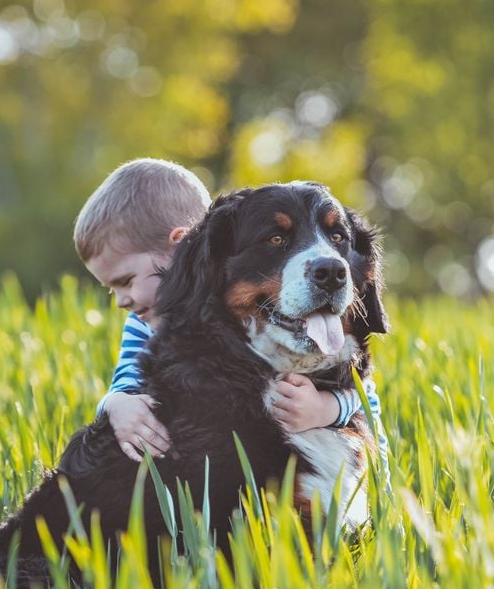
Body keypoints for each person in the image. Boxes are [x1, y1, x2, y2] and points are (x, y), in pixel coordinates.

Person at [73, 158, 388, 482]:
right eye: (277, 239)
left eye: (126, 281)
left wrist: (326, 408)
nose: (122, 300)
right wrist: (116, 405)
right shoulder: (144, 325)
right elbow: (125, 382)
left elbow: (365, 395)